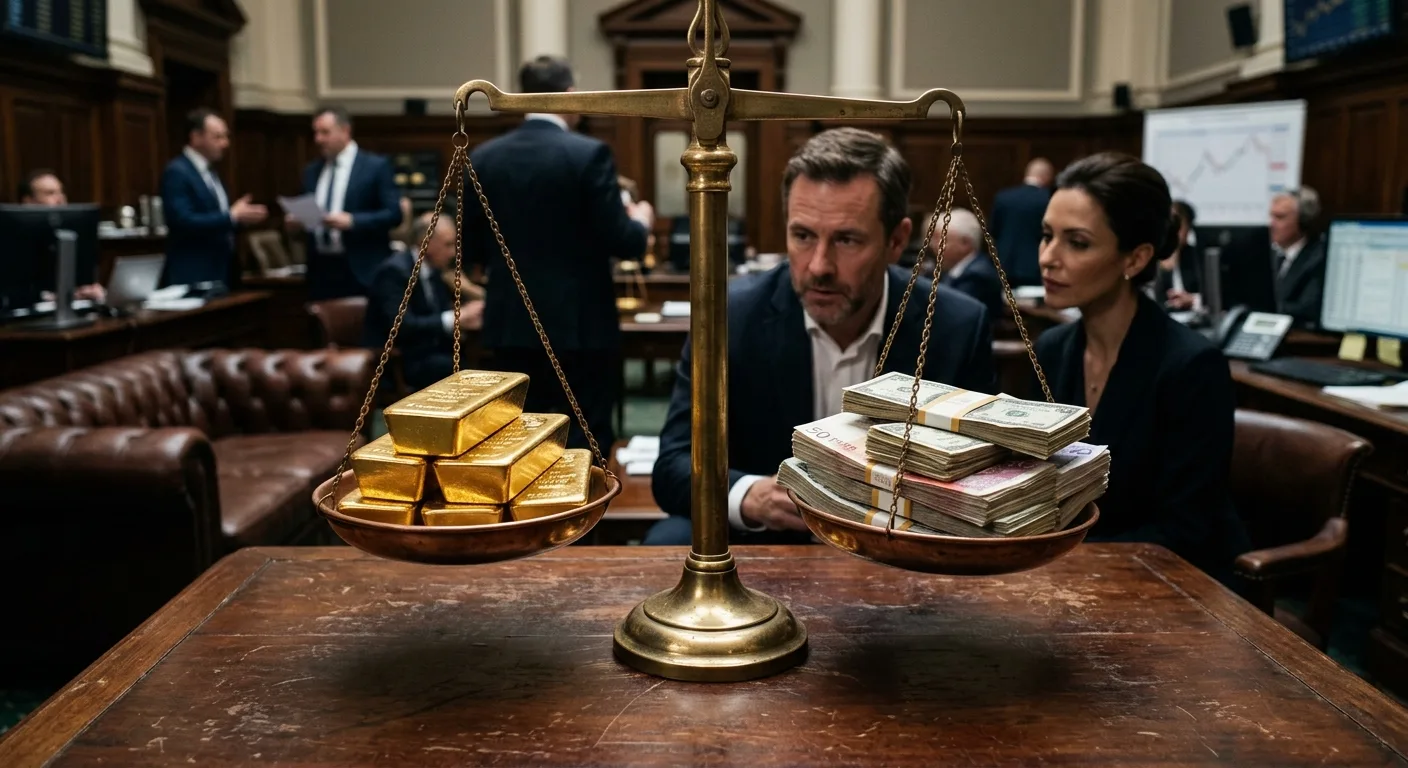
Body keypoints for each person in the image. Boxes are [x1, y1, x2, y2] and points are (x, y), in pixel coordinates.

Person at [645, 128, 996, 546]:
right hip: (769, 546)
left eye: (847, 240)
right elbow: (673, 466)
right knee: (667, 540)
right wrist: (751, 497)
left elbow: (984, 479)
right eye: (803, 236)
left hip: (902, 547)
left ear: (896, 241)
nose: (819, 267)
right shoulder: (732, 317)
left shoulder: (953, 326)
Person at [1034, 152, 1249, 581]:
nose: (1047, 257)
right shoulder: (1052, 347)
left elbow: (1184, 531)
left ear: (1135, 259)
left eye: (1077, 242)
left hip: (1175, 585)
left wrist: (1057, 562)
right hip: (1074, 573)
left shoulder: (1190, 366)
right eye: (1046, 236)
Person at [465, 55, 654, 452]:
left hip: (509, 325)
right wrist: (641, 221)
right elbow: (625, 242)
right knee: (584, 441)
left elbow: (471, 250)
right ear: (569, 95)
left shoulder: (483, 158)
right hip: (580, 329)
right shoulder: (588, 154)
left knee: (513, 442)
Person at [291, 106, 401, 300]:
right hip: (321, 270)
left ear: (345, 131)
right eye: (315, 133)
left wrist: (353, 221)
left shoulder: (374, 166)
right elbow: (308, 214)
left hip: (362, 269)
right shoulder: (312, 171)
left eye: (325, 132)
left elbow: (393, 214)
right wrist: (297, 221)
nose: (318, 139)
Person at [364, 212, 484, 389]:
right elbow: (401, 327)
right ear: (425, 243)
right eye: (448, 245)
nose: (453, 253)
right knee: (456, 370)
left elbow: (439, 313)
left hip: (430, 352)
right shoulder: (394, 272)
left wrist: (465, 318)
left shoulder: (435, 271)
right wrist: (455, 319)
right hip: (400, 359)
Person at [160, 109, 268, 286]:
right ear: (196, 137)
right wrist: (231, 216)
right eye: (217, 137)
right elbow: (183, 221)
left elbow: (218, 219)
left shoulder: (211, 172)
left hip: (222, 270)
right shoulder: (177, 172)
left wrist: (242, 219)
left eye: (226, 137)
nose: (225, 143)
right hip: (194, 273)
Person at [17, 169, 105, 302]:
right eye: (50, 193)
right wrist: (48, 297)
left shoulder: (73, 233)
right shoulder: (13, 238)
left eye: (61, 192)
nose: (60, 199)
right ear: (28, 201)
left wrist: (90, 289)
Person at [990, 158, 1053, 287]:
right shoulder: (1048, 199)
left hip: (1004, 263)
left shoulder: (1003, 197)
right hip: (1034, 265)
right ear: (1047, 176)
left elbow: (993, 231)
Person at [1269, 187, 1325, 326]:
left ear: (1303, 221)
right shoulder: (1271, 255)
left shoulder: (1318, 258)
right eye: (1272, 216)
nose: (1271, 224)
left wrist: (1258, 309)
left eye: (1280, 217)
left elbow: (1306, 309)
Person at [934, 207, 1005, 319]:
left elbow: (950, 312)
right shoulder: (959, 269)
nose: (936, 246)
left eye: (944, 241)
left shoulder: (977, 276)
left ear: (965, 244)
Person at [1154, 200, 1202, 311]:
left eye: (1178, 224)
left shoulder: (1198, 257)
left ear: (1189, 228)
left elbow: (1215, 297)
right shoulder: (1149, 257)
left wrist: (1193, 300)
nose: (1173, 230)